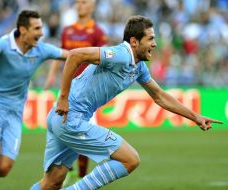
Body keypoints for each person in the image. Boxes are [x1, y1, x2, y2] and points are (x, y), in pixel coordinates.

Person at [30, 15, 222, 190]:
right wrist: (63, 97)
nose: (155, 44)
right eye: (150, 39)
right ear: (134, 41)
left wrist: (195, 117)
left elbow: (160, 96)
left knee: (51, 183)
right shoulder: (120, 55)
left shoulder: (139, 67)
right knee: (130, 160)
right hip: (70, 117)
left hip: (60, 118)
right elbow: (75, 55)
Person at [0, 10, 69, 190]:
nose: (41, 33)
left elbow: (69, 55)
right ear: (23, 30)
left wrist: (102, 56)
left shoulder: (41, 49)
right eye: (37, 28)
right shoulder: (4, 44)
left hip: (15, 113)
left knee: (2, 169)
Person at [44, 0, 107, 185]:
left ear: (92, 6)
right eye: (78, 2)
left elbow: (102, 59)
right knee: (61, 128)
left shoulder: (97, 32)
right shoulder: (67, 30)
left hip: (87, 91)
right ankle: (67, 170)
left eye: (85, 2)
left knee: (83, 133)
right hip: (67, 88)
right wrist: (51, 75)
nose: (80, 5)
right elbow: (60, 54)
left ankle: (80, 176)